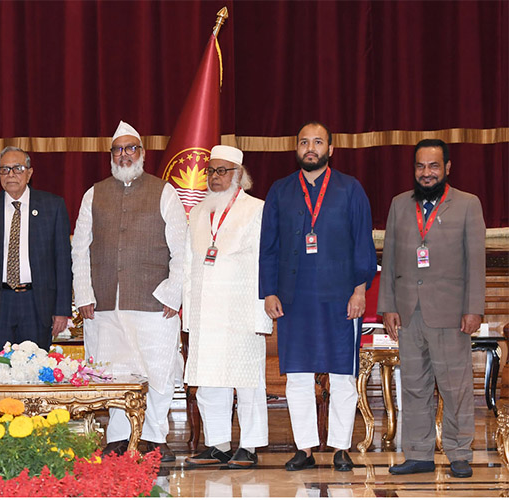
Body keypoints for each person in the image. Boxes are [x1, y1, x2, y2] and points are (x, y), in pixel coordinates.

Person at [258, 121, 376, 472]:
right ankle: (305, 448)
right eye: (304, 142)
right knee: (297, 375)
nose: (311, 148)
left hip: (340, 297)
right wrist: (269, 292)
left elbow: (363, 243)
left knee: (342, 375)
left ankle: (340, 447)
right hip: (293, 299)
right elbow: (268, 247)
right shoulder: (280, 190)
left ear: (330, 149)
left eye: (318, 142)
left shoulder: (350, 189)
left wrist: (359, 291)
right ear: (296, 148)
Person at [72, 121, 187, 462]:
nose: (124, 155)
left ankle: (153, 437)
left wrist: (173, 293)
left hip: (154, 303)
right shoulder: (93, 194)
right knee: (112, 372)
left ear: (142, 153)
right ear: (111, 155)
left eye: (131, 148)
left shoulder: (164, 192)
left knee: (157, 371)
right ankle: (119, 437)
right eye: (118, 150)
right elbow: (80, 249)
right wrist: (84, 294)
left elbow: (182, 250)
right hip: (105, 304)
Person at [379, 139, 485, 478]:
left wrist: (474, 308)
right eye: (421, 166)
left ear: (447, 168)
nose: (427, 173)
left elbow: (476, 262)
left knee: (455, 387)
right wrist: (388, 306)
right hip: (408, 313)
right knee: (414, 386)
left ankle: (459, 452)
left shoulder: (467, 204)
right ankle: (418, 454)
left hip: (451, 314)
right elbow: (389, 258)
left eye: (434, 166)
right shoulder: (399, 204)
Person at [183, 145, 272, 469]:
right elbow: (189, 265)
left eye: (223, 171)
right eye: (211, 171)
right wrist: (189, 315)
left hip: (241, 311)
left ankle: (250, 445)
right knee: (208, 380)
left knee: (247, 381)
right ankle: (218, 444)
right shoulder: (197, 213)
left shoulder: (256, 209)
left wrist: (261, 316)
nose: (215, 177)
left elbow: (265, 264)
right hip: (205, 312)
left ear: (239, 175)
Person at [0, 146, 72, 351]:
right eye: (4, 169)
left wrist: (61, 310)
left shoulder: (52, 206)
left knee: (37, 366)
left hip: (37, 303)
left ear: (29, 172)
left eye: (17, 168)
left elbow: (62, 261)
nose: (11, 175)